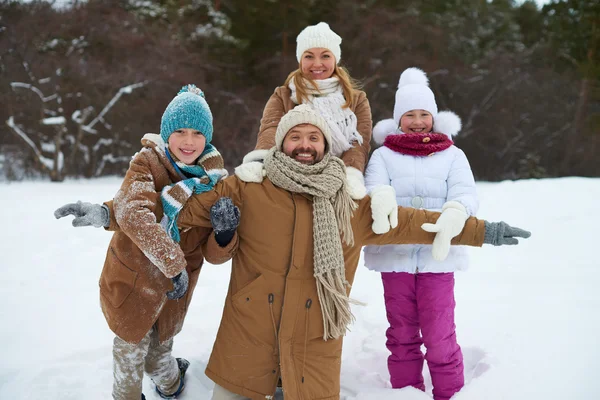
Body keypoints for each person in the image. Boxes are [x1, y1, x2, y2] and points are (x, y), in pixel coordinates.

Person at [163, 105, 530, 400]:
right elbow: (181, 208)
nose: (304, 144)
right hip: (248, 332)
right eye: (295, 136)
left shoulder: (350, 203)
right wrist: (117, 213)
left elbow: (412, 222)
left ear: (325, 145)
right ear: (280, 143)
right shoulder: (247, 187)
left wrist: (482, 231)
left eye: (313, 137)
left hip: (314, 336)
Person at [54, 85, 240, 400]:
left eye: (197, 132)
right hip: (135, 280)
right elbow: (132, 209)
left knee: (159, 354)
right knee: (128, 350)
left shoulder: (216, 183)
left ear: (206, 138)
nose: (188, 140)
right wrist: (109, 214)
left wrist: (223, 234)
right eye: (179, 131)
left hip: (175, 292)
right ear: (166, 133)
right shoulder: (148, 162)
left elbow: (214, 255)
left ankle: (171, 384)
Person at [364, 67, 481, 400]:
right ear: (398, 120)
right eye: (409, 115)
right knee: (401, 333)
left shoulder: (452, 154)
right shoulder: (383, 155)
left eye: (423, 114)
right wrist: (380, 196)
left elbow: (466, 192)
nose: (417, 121)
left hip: (437, 259)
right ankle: (405, 393)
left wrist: (457, 210)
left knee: (440, 334)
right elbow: (373, 187)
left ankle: (449, 392)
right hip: (395, 258)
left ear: (434, 117)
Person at [235, 22, 373, 201]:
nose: (317, 64)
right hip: (290, 179)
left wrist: (350, 175)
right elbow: (270, 130)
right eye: (309, 56)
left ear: (335, 59)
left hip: (336, 182)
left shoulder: (356, 99)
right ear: (300, 60)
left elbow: (359, 143)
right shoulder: (284, 95)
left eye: (325, 56)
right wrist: (260, 161)